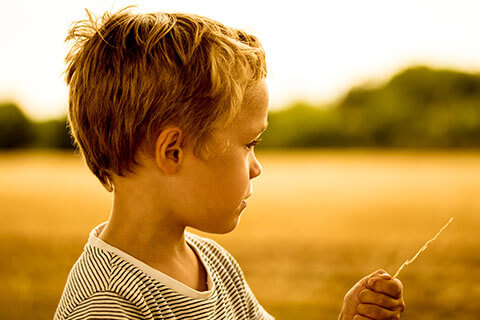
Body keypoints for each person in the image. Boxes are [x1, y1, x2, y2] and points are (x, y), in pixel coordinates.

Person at [54, 6, 405, 320]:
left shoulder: (214, 263)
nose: (256, 167)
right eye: (249, 144)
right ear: (173, 151)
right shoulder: (105, 305)